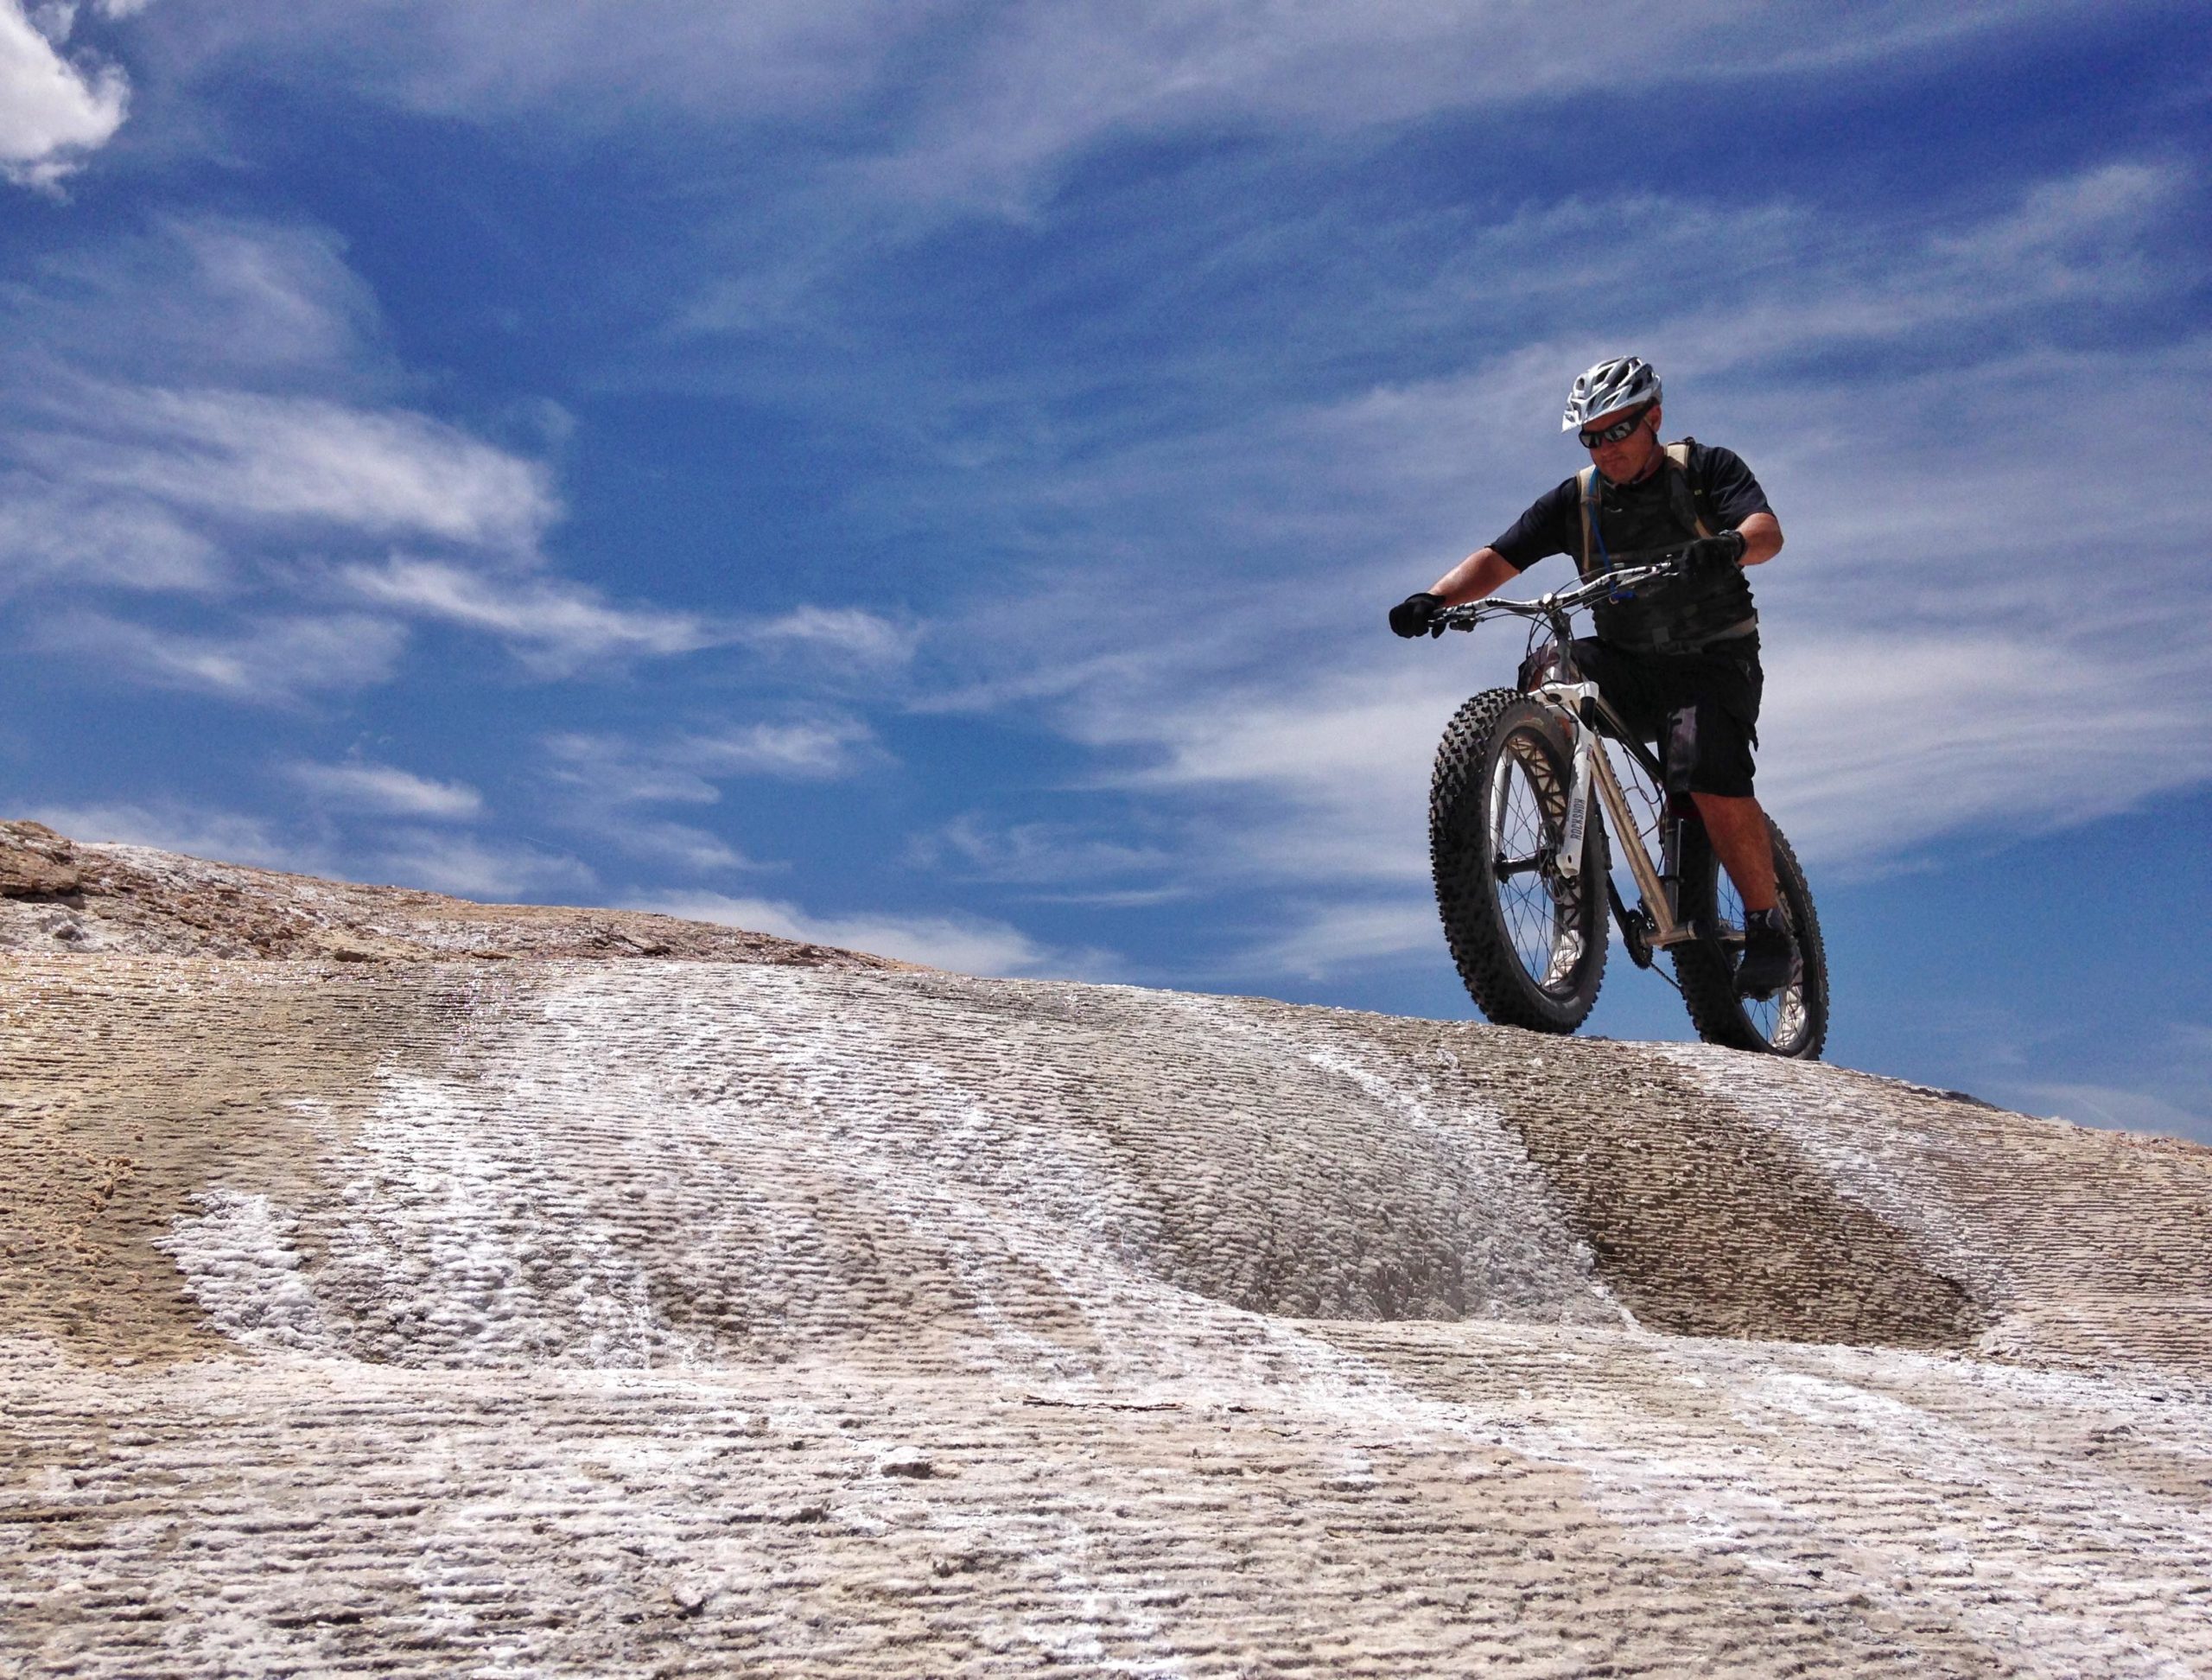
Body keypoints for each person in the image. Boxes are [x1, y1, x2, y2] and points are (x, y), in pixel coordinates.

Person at [1388, 354, 1797, 996]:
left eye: (1617, 431)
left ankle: (1768, 924)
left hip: (1714, 661)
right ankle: (1559, 809)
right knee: (1551, 669)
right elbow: (1502, 557)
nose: (1604, 448)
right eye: (1591, 436)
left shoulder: (1705, 470)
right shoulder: (1577, 500)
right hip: (1630, 665)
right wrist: (1436, 599)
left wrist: (1729, 546)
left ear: (1653, 418)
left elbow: (1765, 531)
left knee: (1704, 769)